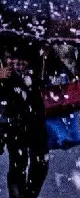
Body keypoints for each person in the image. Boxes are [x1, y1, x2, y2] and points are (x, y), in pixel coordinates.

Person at [0, 40, 49, 198]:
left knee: (41, 162)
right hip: (13, 111)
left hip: (36, 111)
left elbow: (54, 70)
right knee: (18, 162)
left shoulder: (39, 38)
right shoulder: (5, 36)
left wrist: (47, 56)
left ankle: (28, 195)